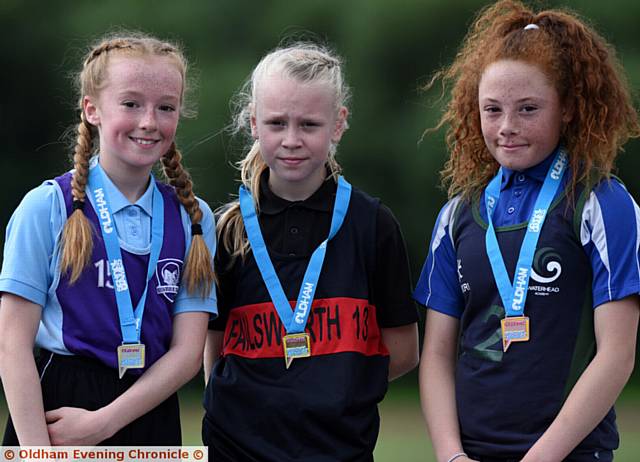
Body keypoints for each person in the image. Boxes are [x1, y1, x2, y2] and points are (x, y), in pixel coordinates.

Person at [414, 1, 640, 461]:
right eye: (492, 109)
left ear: (570, 109)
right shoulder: (457, 216)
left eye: (528, 109)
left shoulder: (603, 204)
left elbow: (617, 355)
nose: (507, 128)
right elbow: (436, 355)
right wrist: (451, 455)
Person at [202, 42, 419, 461]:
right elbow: (214, 352)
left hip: (339, 450)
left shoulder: (372, 225)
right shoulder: (227, 229)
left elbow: (405, 351)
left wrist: (338, 387)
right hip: (235, 449)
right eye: (277, 123)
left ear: (338, 124)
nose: (291, 140)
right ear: (253, 123)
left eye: (309, 125)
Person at [0, 32, 217, 446]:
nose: (149, 121)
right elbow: (11, 345)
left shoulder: (194, 218)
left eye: (166, 107)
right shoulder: (47, 206)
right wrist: (38, 454)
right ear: (92, 109)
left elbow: (188, 353)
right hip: (55, 415)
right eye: (131, 103)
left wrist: (104, 423)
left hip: (149, 409)